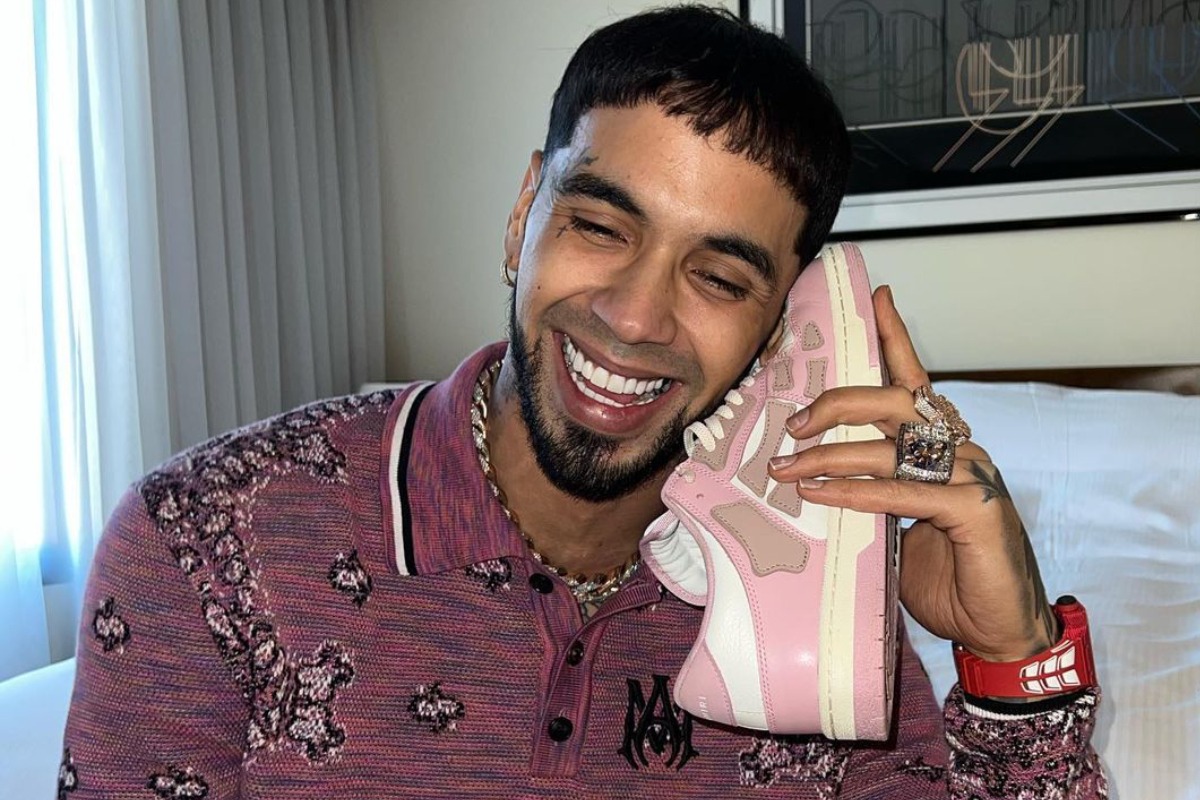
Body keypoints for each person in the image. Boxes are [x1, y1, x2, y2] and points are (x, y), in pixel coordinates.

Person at [60, 6, 1107, 798]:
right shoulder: (203, 539)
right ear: (526, 210)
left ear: (784, 322)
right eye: (601, 227)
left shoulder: (814, 588)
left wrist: (1012, 656)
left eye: (719, 277)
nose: (636, 316)